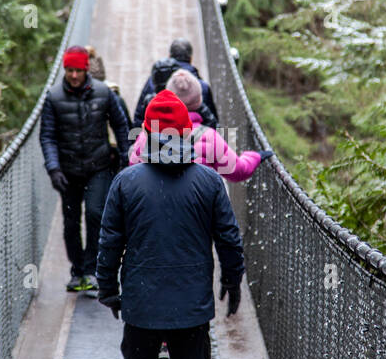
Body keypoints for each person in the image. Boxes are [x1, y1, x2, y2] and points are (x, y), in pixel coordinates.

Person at [97, 89, 245, 359]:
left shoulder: (126, 182)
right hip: (191, 307)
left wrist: (108, 287)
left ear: (146, 133)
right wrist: (232, 279)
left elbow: (110, 240)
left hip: (142, 303)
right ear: (186, 134)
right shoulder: (209, 182)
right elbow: (229, 238)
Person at [40, 46, 131, 292]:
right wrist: (54, 168)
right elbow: (47, 136)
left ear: (86, 69)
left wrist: (125, 159)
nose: (73, 75)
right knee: (71, 221)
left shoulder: (104, 93)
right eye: (69, 70)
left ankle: (91, 271)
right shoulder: (53, 97)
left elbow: (122, 126)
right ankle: (76, 270)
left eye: (77, 70)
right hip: (68, 171)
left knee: (94, 213)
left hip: (98, 167)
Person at [129, 70, 271, 180]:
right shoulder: (208, 136)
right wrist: (254, 156)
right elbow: (237, 170)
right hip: (195, 209)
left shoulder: (146, 135)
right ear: (198, 101)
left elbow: (133, 167)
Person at [132, 38, 218, 128]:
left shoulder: (153, 81)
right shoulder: (202, 86)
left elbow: (139, 116)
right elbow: (212, 120)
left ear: (169, 56)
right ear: (191, 58)